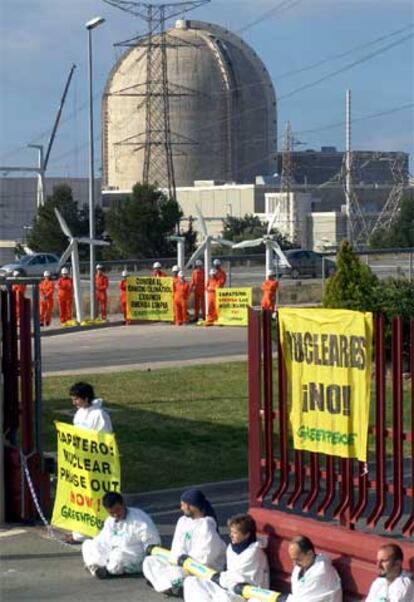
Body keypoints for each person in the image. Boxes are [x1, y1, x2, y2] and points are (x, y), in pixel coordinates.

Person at [143, 488, 226, 595]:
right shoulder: (182, 521)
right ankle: (170, 584)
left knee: (177, 575)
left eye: (183, 505)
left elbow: (206, 557)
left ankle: (170, 584)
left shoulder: (207, 525)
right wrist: (177, 560)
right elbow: (177, 547)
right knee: (150, 561)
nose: (181, 508)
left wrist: (185, 562)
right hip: (181, 564)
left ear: (190, 506)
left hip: (197, 569)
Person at [65, 382, 113, 544]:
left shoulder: (99, 415)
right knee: (80, 498)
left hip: (94, 464)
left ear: (86, 398)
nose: (74, 402)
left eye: (76, 399)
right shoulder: (79, 413)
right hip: (80, 463)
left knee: (95, 498)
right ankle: (79, 533)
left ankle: (99, 531)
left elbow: (105, 441)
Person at [183, 513, 269, 602]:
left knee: (223, 598)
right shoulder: (231, 548)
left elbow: (241, 578)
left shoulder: (254, 552)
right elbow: (229, 576)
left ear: (246, 535)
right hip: (228, 587)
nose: (230, 535)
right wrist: (222, 580)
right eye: (231, 532)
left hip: (246, 595)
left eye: (235, 533)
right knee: (191, 582)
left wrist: (224, 580)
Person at [82, 491, 161, 579]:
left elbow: (151, 540)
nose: (116, 515)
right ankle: (97, 568)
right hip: (113, 550)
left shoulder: (139, 518)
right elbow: (103, 540)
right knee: (88, 544)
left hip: (132, 553)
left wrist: (151, 558)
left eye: (118, 510)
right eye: (112, 513)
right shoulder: (110, 521)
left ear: (123, 504)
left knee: (117, 560)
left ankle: (104, 568)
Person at [279, 536, 342, 602]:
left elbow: (304, 600)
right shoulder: (301, 567)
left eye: (298, 559)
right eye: (293, 560)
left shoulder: (320, 572)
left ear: (310, 554)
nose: (295, 564)